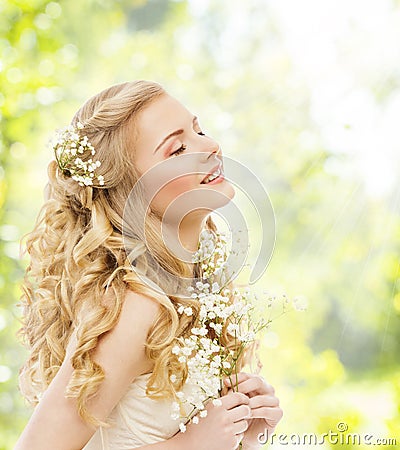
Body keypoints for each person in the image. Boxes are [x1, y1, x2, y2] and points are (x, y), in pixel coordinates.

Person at [14, 80, 283, 450]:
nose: (210, 146)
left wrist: (245, 429)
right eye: (177, 149)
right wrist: (188, 446)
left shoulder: (197, 288)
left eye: (199, 129)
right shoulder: (134, 304)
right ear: (131, 192)